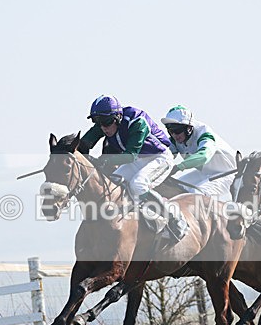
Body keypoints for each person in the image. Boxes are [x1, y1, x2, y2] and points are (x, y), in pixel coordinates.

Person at [78, 94, 188, 240]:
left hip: (159, 158)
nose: (103, 127)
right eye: (98, 122)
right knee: (113, 182)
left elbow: (130, 156)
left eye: (106, 121)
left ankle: (175, 218)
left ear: (117, 117)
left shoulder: (137, 121)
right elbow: (83, 144)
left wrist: (103, 161)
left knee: (138, 185)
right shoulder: (105, 124)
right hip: (136, 160)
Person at [161, 105, 237, 202]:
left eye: (177, 130)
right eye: (170, 131)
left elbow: (203, 156)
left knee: (196, 195)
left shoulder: (204, 133)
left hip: (227, 174)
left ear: (188, 128)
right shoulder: (175, 139)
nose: (174, 135)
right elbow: (162, 156)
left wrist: (178, 167)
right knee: (175, 188)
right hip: (205, 173)